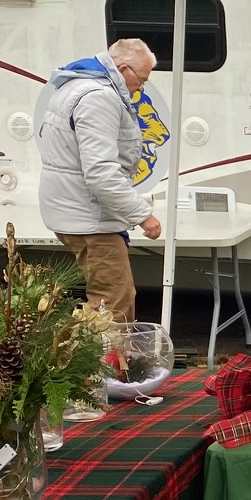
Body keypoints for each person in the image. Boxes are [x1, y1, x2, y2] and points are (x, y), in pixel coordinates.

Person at [38, 37, 162, 322]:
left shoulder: (75, 83)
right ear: (124, 69)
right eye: (142, 79)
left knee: (107, 299)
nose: (141, 87)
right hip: (91, 218)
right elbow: (101, 173)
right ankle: (106, 353)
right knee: (113, 303)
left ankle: (91, 348)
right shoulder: (99, 98)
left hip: (76, 210)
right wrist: (143, 215)